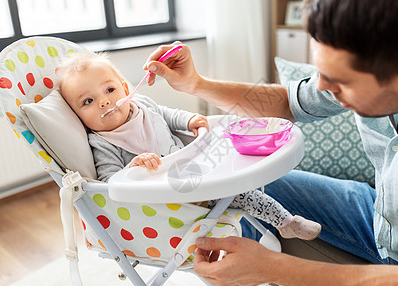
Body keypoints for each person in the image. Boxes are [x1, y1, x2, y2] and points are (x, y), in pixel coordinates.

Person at [142, 0, 398, 284]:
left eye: (340, 82)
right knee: (243, 187)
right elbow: (291, 101)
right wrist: (195, 84)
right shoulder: (383, 71)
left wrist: (273, 268)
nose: (323, 88)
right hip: (377, 216)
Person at [55, 52, 322, 241]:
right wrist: (134, 167)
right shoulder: (102, 143)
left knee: (235, 173)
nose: (103, 101)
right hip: (172, 194)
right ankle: (286, 221)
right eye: (87, 101)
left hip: (192, 166)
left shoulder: (144, 106)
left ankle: (281, 223)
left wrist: (190, 119)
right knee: (238, 192)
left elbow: (169, 115)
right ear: (77, 116)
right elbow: (110, 183)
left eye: (109, 90)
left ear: (126, 89)